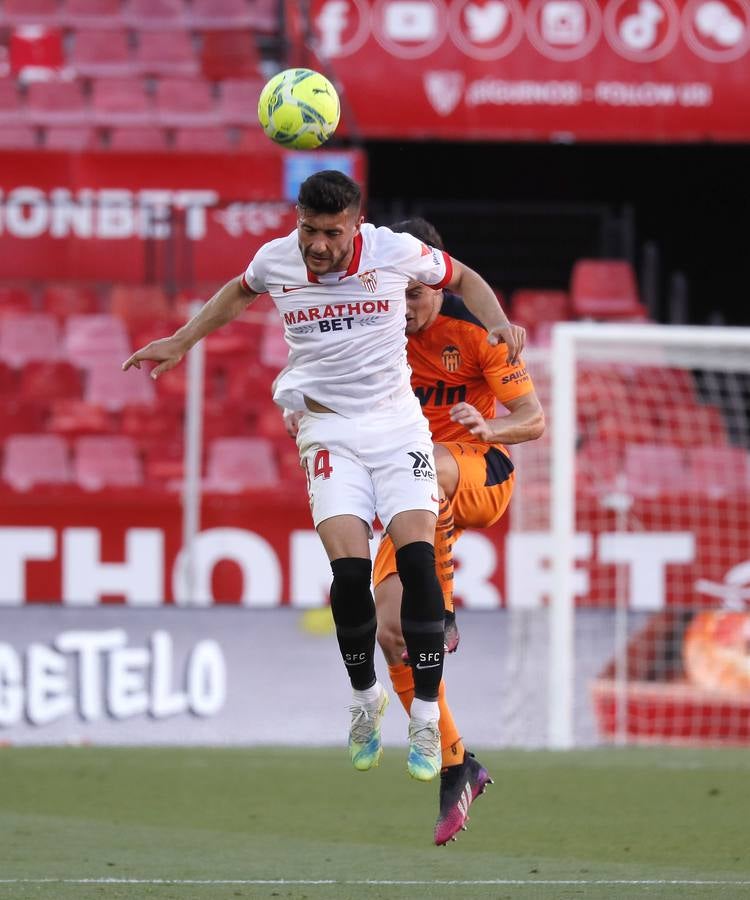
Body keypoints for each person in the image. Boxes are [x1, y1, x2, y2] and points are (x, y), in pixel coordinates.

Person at [123, 171, 523, 785]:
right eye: (309, 230)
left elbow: (463, 277)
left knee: (417, 562)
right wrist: (181, 341)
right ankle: (365, 699)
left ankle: (422, 717)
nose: (318, 245)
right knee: (350, 575)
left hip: (398, 429)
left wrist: (495, 322)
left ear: (356, 225)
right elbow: (238, 291)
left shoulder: (393, 250)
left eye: (332, 234)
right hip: (329, 431)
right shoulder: (277, 258)